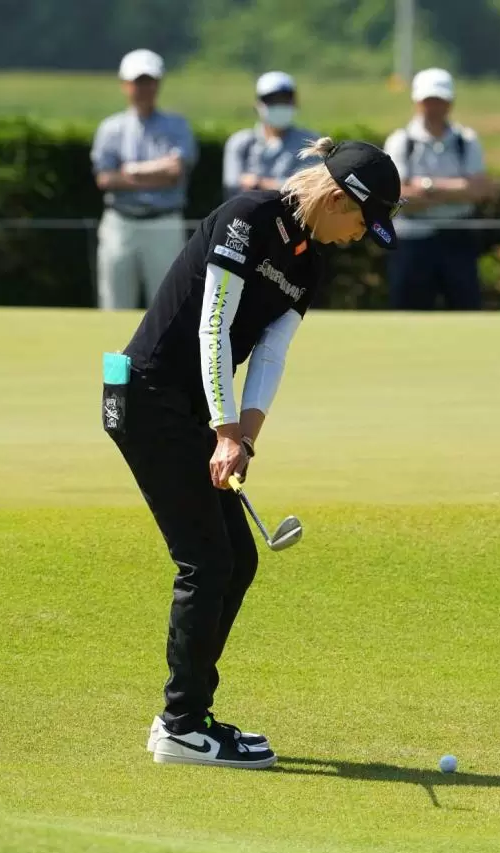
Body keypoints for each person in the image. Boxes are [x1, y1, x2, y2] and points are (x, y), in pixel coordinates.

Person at [103, 138, 402, 769]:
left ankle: (189, 716)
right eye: (359, 222)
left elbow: (268, 356)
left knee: (237, 559)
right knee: (206, 561)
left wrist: (245, 437)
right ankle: (181, 728)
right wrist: (225, 430)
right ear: (337, 196)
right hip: (148, 396)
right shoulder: (247, 218)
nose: (357, 237)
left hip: (194, 413)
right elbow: (215, 325)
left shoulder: (311, 266)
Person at [91, 49, 198, 311]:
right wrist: (156, 173)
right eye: (138, 82)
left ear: (158, 84)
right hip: (120, 223)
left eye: (149, 81)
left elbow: (176, 172)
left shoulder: (176, 125)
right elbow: (105, 178)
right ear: (124, 85)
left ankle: (162, 355)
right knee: (115, 303)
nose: (144, 88)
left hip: (164, 221)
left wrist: (132, 172)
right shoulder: (110, 128)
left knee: (168, 306)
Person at [384, 67, 492, 311]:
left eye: (439, 100)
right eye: (428, 100)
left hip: (457, 238)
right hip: (412, 240)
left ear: (450, 102)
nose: (434, 107)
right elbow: (398, 195)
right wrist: (456, 190)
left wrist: (427, 188)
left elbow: (479, 190)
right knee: (408, 314)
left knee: (466, 311)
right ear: (417, 102)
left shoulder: (466, 140)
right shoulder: (401, 140)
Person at [222, 71, 319, 200]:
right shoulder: (240, 142)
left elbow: (309, 187)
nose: (279, 105)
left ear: (295, 103)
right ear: (258, 104)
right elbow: (232, 184)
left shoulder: (310, 142)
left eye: (284, 100)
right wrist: (281, 185)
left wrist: (259, 183)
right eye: (272, 101)